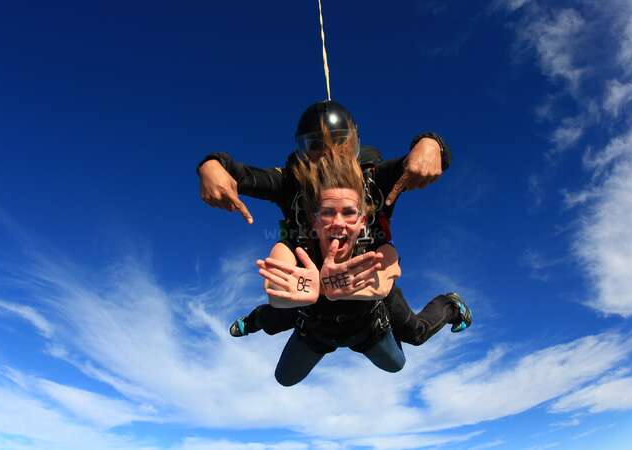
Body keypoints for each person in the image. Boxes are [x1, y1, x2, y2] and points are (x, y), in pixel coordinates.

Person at [198, 100, 472, 346]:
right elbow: (239, 173)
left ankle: (450, 304)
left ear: (354, 146)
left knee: (414, 333)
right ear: (303, 152)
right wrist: (211, 166)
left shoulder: (375, 179)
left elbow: (420, 161)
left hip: (366, 274)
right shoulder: (291, 184)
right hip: (311, 272)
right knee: (277, 317)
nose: (329, 156)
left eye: (340, 144)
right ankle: (253, 321)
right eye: (315, 146)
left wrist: (432, 145)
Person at [257, 131, 405, 386]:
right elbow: (274, 288)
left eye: (349, 213)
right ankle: (251, 321)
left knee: (396, 364)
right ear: (314, 221)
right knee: (284, 378)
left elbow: (385, 281)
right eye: (327, 213)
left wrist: (328, 289)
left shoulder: (374, 244)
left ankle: (449, 306)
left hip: (367, 330)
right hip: (316, 331)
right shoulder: (298, 244)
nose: (338, 223)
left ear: (362, 221)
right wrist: (283, 294)